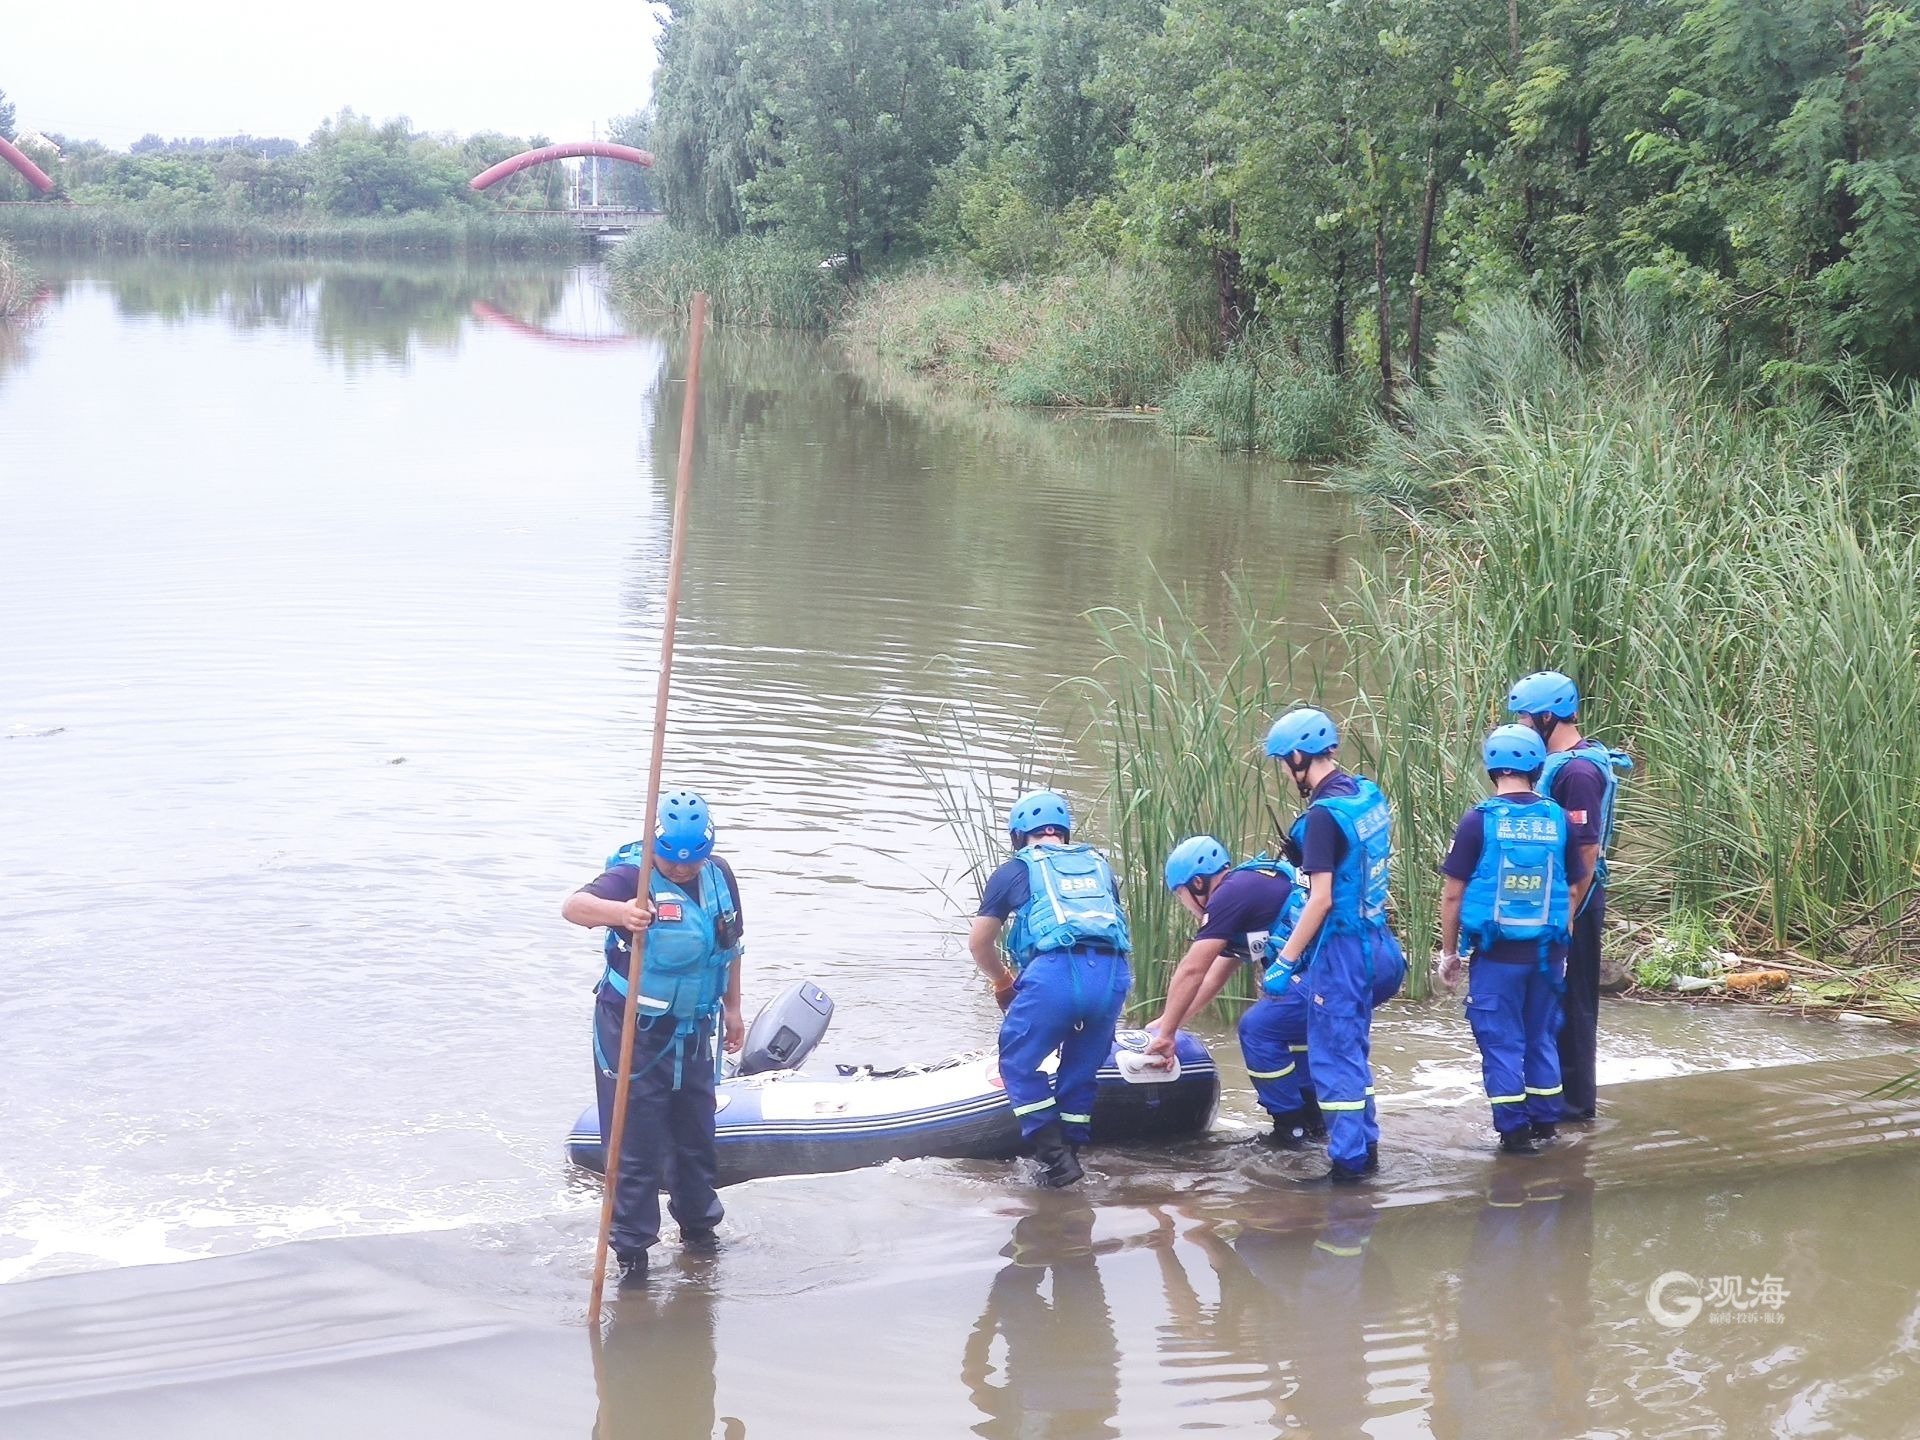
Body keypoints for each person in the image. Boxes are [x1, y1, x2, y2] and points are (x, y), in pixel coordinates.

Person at [561, 790, 745, 1286]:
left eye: (692, 862)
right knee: (634, 1144)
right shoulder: (631, 875)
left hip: (695, 1030)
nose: (682, 870)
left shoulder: (719, 875)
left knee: (696, 1136)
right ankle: (633, 1257)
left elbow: (730, 949)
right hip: (633, 1032)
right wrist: (619, 913)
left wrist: (733, 1009)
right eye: (672, 862)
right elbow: (573, 907)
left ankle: (700, 1235)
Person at [1146, 836, 1403, 1148]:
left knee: (1258, 1028)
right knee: (1290, 1027)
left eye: (1181, 895)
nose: (1184, 904)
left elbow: (1192, 970)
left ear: (1198, 883)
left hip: (1349, 966)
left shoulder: (1228, 895)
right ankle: (1315, 1123)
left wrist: (1167, 1035)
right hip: (1379, 959)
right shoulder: (1249, 886)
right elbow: (1213, 978)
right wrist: (1168, 1024)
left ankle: (1290, 1128)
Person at [1262, 707, 1406, 1182]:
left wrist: (1284, 960)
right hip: (1379, 943)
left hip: (1343, 952)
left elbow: (1320, 899)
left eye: (1285, 764)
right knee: (1351, 1052)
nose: (1286, 774)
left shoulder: (1323, 817)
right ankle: (1367, 1150)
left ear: (1299, 757)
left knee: (1333, 1060)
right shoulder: (1365, 794)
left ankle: (1348, 1168)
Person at [1436, 725, 1587, 1154]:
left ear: (1491, 768)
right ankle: (1545, 1126)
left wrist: (1450, 953)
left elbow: (1453, 893)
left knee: (1501, 1042)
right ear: (1538, 766)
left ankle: (1514, 1136)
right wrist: (1561, 940)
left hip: (1496, 956)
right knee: (1539, 1036)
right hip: (1548, 955)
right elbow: (1575, 887)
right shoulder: (1557, 818)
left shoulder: (1478, 820)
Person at [969, 789, 1132, 1189]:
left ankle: (1054, 1161)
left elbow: (979, 942)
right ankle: (1071, 1160)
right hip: (1112, 976)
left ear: (1019, 835)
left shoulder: (1014, 871)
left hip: (1056, 974)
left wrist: (1003, 981)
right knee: (1081, 1072)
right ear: (1063, 832)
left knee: (1019, 1063)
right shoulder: (1099, 867)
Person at [1506, 670, 1631, 1122]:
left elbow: (1586, 849)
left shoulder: (1577, 772)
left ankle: (1576, 1109)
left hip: (1575, 902)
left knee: (1575, 1006)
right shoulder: (1561, 763)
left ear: (1546, 716)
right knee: (1550, 1002)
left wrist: (1565, 917)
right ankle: (1550, 1096)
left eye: (1523, 716)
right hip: (1558, 901)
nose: (1520, 725)